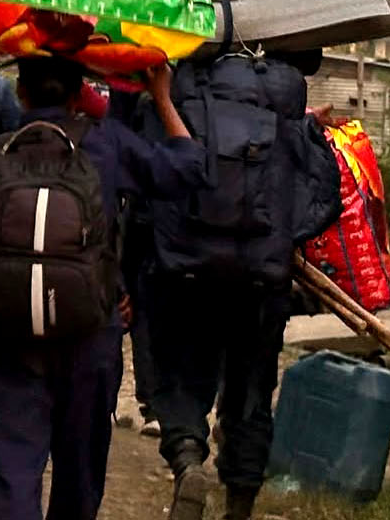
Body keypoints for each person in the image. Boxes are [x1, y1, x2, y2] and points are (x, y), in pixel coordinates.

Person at [0, 58, 202, 520]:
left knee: (14, 474)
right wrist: (161, 96)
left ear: (20, 92)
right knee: (79, 475)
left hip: (11, 341)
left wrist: (15, 286)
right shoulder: (108, 145)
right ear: (77, 93)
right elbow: (187, 170)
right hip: (91, 334)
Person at [145, 48, 340, 520]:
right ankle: (239, 506)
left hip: (189, 270)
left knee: (181, 376)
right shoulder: (284, 95)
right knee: (251, 391)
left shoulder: (183, 85)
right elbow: (322, 195)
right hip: (262, 275)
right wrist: (286, 236)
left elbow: (150, 184)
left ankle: (188, 457)